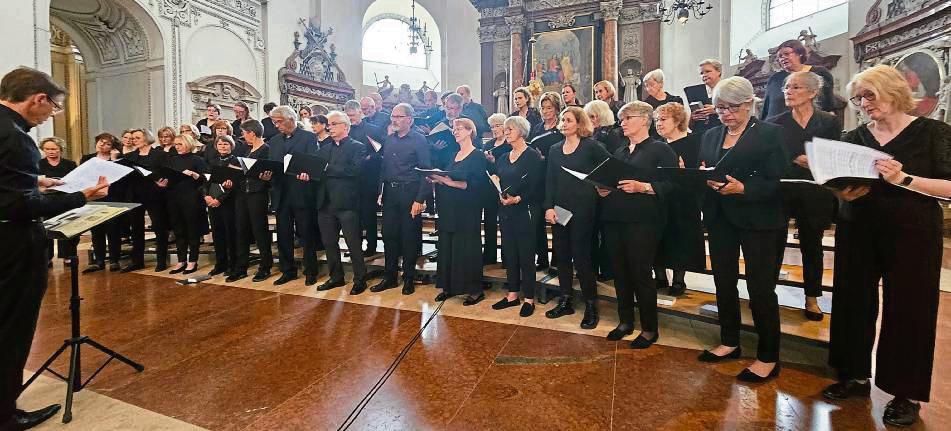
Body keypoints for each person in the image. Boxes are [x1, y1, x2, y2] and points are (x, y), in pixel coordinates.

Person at [823, 65, 951, 427]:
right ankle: (853, 374)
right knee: (852, 300)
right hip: (857, 227)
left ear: (893, 91)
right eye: (858, 97)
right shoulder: (853, 136)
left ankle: (904, 393)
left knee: (910, 309)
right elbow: (837, 179)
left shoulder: (933, 133)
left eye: (869, 95)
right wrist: (839, 191)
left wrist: (904, 178)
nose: (863, 104)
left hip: (912, 232)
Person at [0, 66, 109, 430]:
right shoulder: (16, 138)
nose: (49, 116)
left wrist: (34, 179)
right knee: (11, 327)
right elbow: (19, 207)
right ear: (38, 99)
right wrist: (81, 195)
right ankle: (5, 413)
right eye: (52, 109)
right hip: (12, 245)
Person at [696, 76, 786, 383]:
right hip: (720, 216)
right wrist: (700, 177)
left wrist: (745, 188)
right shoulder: (710, 135)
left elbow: (779, 181)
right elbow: (705, 166)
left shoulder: (771, 134)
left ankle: (768, 356)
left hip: (759, 219)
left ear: (749, 104)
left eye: (733, 107)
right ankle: (729, 341)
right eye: (720, 108)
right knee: (723, 281)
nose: (726, 114)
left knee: (761, 288)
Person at [596, 101, 677, 348]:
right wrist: (603, 189)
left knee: (641, 274)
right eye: (621, 119)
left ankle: (650, 328)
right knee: (620, 273)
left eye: (627, 117)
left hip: (643, 222)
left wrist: (644, 187)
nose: (622, 122)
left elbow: (674, 185)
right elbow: (612, 181)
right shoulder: (620, 152)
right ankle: (625, 321)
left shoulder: (661, 150)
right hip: (615, 219)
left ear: (644, 120)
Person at [765, 71, 840, 320]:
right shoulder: (775, 122)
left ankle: (812, 298)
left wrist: (813, 160)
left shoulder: (829, 121)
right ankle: (767, 293)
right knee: (774, 242)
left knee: (812, 245)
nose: (788, 91)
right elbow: (772, 155)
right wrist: (798, 157)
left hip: (814, 189)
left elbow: (831, 154)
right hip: (783, 189)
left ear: (812, 92)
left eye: (795, 87)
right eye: (787, 87)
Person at [543, 106, 613, 329]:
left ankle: (591, 305)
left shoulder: (591, 146)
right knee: (562, 255)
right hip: (560, 209)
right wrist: (548, 207)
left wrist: (602, 187)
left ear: (579, 123)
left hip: (584, 208)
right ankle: (566, 300)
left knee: (582, 257)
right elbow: (550, 181)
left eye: (568, 120)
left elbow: (612, 168)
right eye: (562, 120)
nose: (563, 123)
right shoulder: (554, 149)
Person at [370, 103, 433, 295]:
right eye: (393, 116)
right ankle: (389, 277)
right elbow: (383, 168)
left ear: (410, 120)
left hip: (410, 193)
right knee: (389, 236)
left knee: (409, 238)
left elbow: (426, 172)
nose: (394, 120)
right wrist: (381, 190)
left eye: (398, 116)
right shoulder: (389, 140)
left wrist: (420, 199)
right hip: (390, 194)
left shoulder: (419, 140)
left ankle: (408, 278)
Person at [431, 118, 488, 304]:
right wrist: (438, 180)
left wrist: (450, 182)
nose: (455, 131)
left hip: (467, 209)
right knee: (447, 247)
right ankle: (449, 286)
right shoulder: (452, 155)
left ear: (470, 131)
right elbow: (447, 176)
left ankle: (474, 290)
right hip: (448, 208)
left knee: (466, 248)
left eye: (459, 128)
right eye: (454, 129)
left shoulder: (478, 155)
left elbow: (477, 184)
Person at [491, 116, 543, 317]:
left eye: (509, 129)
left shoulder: (532, 156)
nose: (506, 132)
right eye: (505, 129)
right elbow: (499, 179)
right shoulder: (503, 157)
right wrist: (496, 182)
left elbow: (538, 186)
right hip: (506, 211)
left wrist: (519, 198)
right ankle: (512, 294)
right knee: (510, 253)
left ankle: (529, 298)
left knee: (526, 256)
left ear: (521, 131)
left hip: (526, 210)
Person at [652, 102, 706, 296]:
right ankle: (659, 276)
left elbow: (701, 173)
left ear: (677, 120)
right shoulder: (657, 146)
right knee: (659, 237)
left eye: (663, 119)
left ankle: (678, 280)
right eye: (657, 120)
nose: (658, 123)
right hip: (662, 198)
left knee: (680, 238)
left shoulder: (695, 142)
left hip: (684, 200)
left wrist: (684, 173)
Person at [314, 111, 369, 294]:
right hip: (326, 203)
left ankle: (360, 279)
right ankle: (336, 277)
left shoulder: (358, 147)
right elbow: (318, 173)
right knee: (329, 243)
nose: (329, 127)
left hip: (347, 204)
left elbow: (355, 171)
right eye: (329, 124)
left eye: (334, 123)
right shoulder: (324, 149)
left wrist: (328, 168)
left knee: (353, 244)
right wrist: (308, 173)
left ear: (345, 126)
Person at [266, 105, 320, 286]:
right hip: (281, 193)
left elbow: (313, 162)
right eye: (274, 122)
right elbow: (272, 164)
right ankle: (287, 270)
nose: (277, 126)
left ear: (291, 119)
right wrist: (266, 174)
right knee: (283, 235)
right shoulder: (273, 141)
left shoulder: (309, 138)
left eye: (279, 122)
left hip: (301, 191)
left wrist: (307, 173)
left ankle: (311, 270)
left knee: (306, 234)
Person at [122, 128, 171, 272]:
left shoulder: (160, 154)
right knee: (136, 229)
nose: (133, 140)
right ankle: (137, 261)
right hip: (135, 195)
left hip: (154, 194)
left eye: (137, 137)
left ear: (146, 138)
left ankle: (161, 260)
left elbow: (166, 172)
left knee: (159, 227)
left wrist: (162, 181)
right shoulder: (130, 156)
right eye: (132, 138)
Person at [230, 120, 273, 282]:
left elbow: (267, 173)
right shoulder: (245, 149)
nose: (243, 136)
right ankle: (241, 267)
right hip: (242, 193)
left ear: (252, 133)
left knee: (259, 230)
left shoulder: (266, 150)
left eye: (244, 133)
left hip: (257, 193)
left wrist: (249, 171)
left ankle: (265, 266)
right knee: (241, 230)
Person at [161, 133, 207, 274]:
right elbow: (167, 176)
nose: (177, 147)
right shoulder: (171, 160)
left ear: (188, 144)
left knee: (192, 230)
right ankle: (181, 260)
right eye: (176, 144)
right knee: (179, 230)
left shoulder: (198, 160)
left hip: (192, 197)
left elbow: (205, 179)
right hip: (174, 197)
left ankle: (192, 261)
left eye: (180, 144)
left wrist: (195, 175)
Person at [344, 100, 385, 255]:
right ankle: (354, 246)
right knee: (352, 216)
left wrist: (369, 158)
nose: (350, 119)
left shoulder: (372, 130)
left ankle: (371, 246)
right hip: (349, 180)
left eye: (352, 115)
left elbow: (381, 152)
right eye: (347, 116)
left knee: (368, 215)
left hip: (368, 179)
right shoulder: (345, 132)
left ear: (360, 112)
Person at [760, 39, 836, 120]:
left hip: (808, 125)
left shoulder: (819, 73)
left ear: (800, 53)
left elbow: (828, 103)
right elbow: (766, 108)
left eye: (786, 54)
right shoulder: (775, 78)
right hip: (774, 127)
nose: (783, 58)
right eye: (780, 56)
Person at [82, 133, 123, 273]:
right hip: (94, 197)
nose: (102, 144)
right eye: (100, 141)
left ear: (112, 147)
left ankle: (114, 260)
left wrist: (113, 160)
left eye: (107, 143)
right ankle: (99, 260)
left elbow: (118, 178)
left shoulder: (116, 159)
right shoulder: (87, 158)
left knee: (113, 230)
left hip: (112, 197)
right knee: (96, 230)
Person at [37, 137, 78, 266]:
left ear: (60, 149)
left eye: (54, 149)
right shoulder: (38, 164)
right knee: (45, 229)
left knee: (67, 227)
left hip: (65, 199)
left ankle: (68, 256)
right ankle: (46, 257)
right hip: (45, 200)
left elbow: (75, 181)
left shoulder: (70, 164)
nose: (51, 151)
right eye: (47, 149)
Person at [204, 135, 240, 277]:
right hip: (211, 201)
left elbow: (235, 184)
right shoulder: (212, 161)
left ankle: (232, 265)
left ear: (231, 146)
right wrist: (206, 196)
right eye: (220, 144)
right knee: (217, 234)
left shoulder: (235, 161)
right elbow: (206, 181)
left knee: (230, 234)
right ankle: (220, 263)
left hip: (228, 202)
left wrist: (220, 199)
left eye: (226, 144)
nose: (223, 146)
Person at [481, 113, 512, 265]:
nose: (494, 129)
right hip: (488, 189)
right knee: (489, 223)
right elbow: (484, 167)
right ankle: (489, 255)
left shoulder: (509, 144)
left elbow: (509, 167)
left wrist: (494, 161)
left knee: (506, 224)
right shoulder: (488, 145)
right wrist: (487, 162)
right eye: (492, 126)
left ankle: (507, 257)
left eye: (498, 125)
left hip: (505, 188)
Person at [689, 59, 724, 136]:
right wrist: (693, 117)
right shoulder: (696, 93)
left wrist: (716, 110)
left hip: (720, 135)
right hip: (700, 135)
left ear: (719, 72)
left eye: (708, 71)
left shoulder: (728, 90)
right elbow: (690, 127)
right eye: (701, 73)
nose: (704, 75)